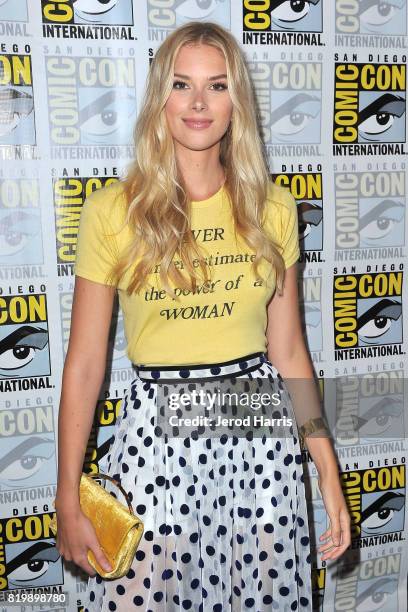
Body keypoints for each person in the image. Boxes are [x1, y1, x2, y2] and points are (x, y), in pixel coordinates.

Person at [54, 21, 351, 612]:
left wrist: (328, 470)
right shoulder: (115, 211)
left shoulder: (273, 207)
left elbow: (289, 352)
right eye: (181, 84)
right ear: (158, 98)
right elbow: (86, 365)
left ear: (235, 100)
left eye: (216, 86)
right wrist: (66, 494)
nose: (197, 102)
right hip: (158, 438)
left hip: (259, 440)